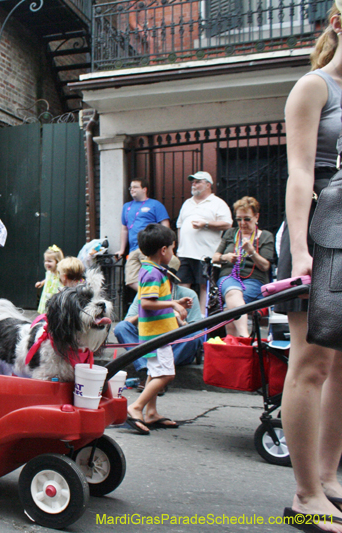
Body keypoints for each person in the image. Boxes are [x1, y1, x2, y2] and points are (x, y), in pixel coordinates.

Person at [278, 4, 342, 528]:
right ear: (339, 24)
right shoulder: (315, 87)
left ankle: (329, 478)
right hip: (320, 231)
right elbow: (300, 175)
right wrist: (300, 250)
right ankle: (304, 495)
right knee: (313, 362)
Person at [125, 224, 191, 435]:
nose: (173, 253)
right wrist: (173, 305)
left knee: (155, 373)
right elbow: (147, 303)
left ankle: (151, 412)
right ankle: (136, 406)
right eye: (172, 249)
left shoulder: (152, 270)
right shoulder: (153, 273)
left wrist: (175, 300)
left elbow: (155, 300)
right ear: (164, 250)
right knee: (166, 375)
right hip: (156, 334)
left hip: (157, 332)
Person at [211, 197, 275, 337]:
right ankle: (245, 337)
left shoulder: (265, 236)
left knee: (231, 305)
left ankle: (234, 345)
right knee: (233, 293)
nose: (242, 223)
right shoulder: (230, 233)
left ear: (256, 217)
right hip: (229, 276)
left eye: (247, 219)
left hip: (254, 279)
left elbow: (265, 266)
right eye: (239, 219)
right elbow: (214, 257)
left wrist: (252, 252)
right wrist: (225, 257)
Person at [175, 171, 233, 315]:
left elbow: (227, 224)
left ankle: (202, 319)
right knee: (182, 285)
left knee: (204, 286)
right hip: (185, 253)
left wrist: (206, 224)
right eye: (192, 182)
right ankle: (183, 317)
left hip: (206, 253)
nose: (193, 184)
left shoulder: (218, 203)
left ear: (208, 185)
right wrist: (179, 248)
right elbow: (180, 226)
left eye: (197, 181)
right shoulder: (187, 203)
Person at [114, 283, 203, 373]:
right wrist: (145, 311)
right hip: (147, 344)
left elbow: (197, 329)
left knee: (197, 335)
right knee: (121, 328)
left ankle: (152, 370)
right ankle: (147, 367)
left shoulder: (189, 294)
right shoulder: (144, 294)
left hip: (174, 346)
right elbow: (127, 322)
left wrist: (180, 321)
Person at [114, 178, 172, 290]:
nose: (132, 189)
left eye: (135, 187)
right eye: (130, 187)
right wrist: (122, 250)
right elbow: (124, 229)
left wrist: (168, 246)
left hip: (149, 247)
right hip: (133, 249)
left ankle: (155, 297)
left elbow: (165, 226)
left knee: (152, 276)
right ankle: (149, 296)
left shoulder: (155, 205)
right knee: (131, 280)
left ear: (144, 189)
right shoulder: (126, 206)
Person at [35, 244, 64, 314]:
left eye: (50, 261)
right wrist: (41, 283)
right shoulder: (49, 272)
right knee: (45, 312)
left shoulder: (60, 273)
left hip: (55, 297)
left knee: (54, 312)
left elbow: (64, 282)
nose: (46, 263)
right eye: (45, 261)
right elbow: (48, 279)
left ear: (57, 261)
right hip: (46, 296)